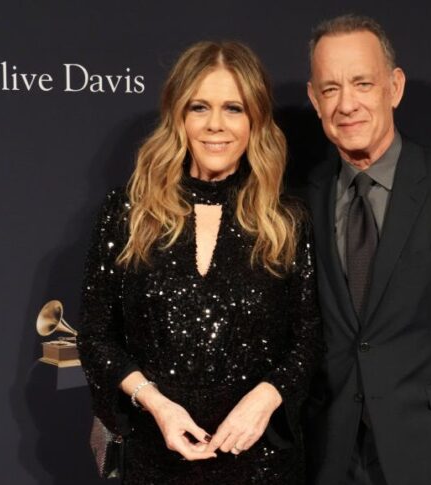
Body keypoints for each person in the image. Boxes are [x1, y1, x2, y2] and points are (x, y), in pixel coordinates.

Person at [76, 40, 322, 485]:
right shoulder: (129, 212)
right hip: (156, 456)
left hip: (259, 459)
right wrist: (157, 405)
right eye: (199, 108)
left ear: (256, 120)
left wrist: (265, 398)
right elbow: (95, 337)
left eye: (233, 109)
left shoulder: (286, 219)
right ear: (178, 117)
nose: (215, 126)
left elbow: (308, 339)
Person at [303, 15, 431, 485]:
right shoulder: (301, 198)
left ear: (394, 88)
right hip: (326, 457)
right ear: (315, 100)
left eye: (363, 83)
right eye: (331, 88)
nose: (347, 104)